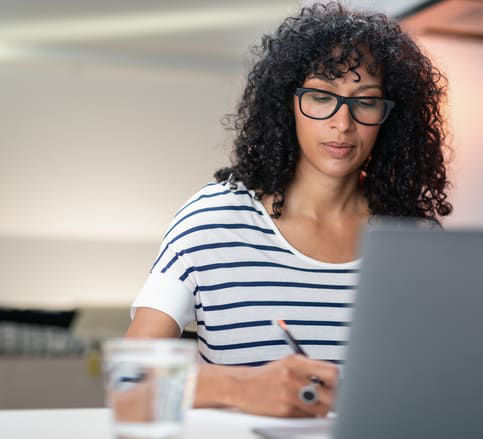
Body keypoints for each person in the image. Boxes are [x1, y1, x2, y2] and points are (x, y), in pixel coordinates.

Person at [125, 1, 452, 418]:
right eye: (321, 97)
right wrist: (242, 387)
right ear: (287, 103)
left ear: (389, 116)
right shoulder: (212, 220)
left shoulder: (415, 238)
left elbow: (439, 381)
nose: (342, 124)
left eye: (365, 102)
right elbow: (130, 380)